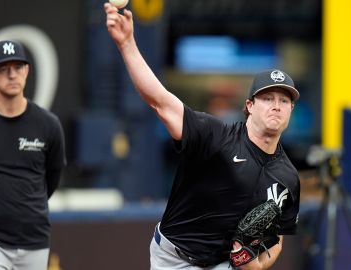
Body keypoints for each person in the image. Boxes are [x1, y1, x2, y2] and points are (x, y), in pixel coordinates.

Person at [104, 4, 300, 270]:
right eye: (267, 98)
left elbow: (277, 238)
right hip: (175, 259)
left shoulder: (287, 177)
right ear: (250, 106)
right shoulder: (215, 136)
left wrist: (257, 265)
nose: (276, 105)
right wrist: (127, 44)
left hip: (223, 264)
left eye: (284, 100)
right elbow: (160, 101)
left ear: (291, 110)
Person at [0, 40, 66, 270]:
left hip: (34, 240)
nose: (12, 75)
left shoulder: (48, 125)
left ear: (27, 70)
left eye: (18, 67)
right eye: (3, 69)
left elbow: (51, 177)